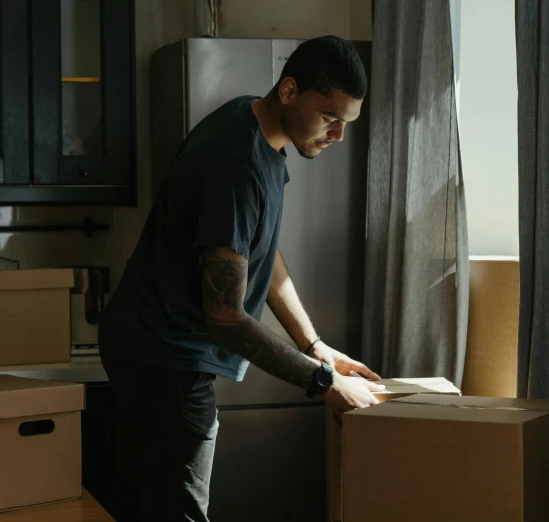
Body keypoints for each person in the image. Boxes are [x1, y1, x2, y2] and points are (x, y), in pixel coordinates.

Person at [98, 35, 384, 522]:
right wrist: (324, 382)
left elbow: (262, 257)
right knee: (179, 514)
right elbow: (227, 319)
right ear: (290, 91)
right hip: (163, 359)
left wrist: (315, 345)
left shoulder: (256, 128)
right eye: (331, 117)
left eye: (346, 123)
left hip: (158, 348)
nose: (338, 136)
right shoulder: (238, 162)